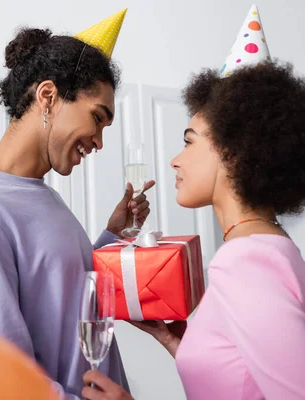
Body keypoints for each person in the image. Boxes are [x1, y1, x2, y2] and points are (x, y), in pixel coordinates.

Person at [0, 17, 156, 399]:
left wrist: (112, 233)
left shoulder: (45, 197)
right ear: (48, 97)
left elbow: (69, 293)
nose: (99, 142)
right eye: (97, 118)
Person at [81, 60, 305, 400]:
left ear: (233, 153)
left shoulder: (247, 260)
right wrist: (182, 345)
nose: (175, 160)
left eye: (189, 142)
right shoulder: (269, 246)